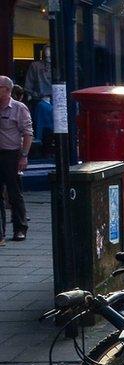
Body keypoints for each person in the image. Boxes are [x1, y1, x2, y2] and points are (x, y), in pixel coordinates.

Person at [0, 75, 32, 243]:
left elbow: (28, 133)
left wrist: (24, 156)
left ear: (7, 90)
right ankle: (0, 233)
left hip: (11, 155)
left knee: (14, 193)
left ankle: (20, 228)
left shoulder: (19, 108)